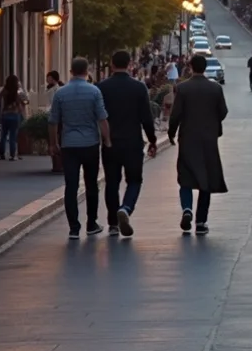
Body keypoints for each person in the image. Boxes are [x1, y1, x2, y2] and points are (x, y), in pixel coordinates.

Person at [49, 56, 111, 240]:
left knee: (71, 186)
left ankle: (74, 228)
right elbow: (102, 118)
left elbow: (53, 121)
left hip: (69, 144)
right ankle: (91, 224)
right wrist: (107, 140)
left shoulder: (60, 93)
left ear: (71, 72)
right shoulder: (94, 92)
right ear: (87, 71)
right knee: (92, 184)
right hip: (90, 144)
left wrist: (53, 143)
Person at [98, 49, 157, 238]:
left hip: (110, 142)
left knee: (112, 182)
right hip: (133, 141)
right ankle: (126, 207)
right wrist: (152, 140)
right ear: (130, 64)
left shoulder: (102, 87)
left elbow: (98, 116)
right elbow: (146, 118)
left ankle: (113, 223)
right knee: (134, 180)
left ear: (112, 64)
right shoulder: (139, 88)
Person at [168, 51, 228, 235]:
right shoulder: (215, 88)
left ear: (191, 67)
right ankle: (201, 221)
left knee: (185, 177)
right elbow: (223, 112)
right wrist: (212, 124)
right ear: (206, 68)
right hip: (208, 140)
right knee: (206, 180)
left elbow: (176, 114)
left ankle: (187, 209)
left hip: (188, 139)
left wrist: (171, 133)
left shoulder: (183, 88)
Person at [0, 74, 28, 161]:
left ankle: (2, 154)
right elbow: (25, 101)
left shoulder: (4, 91)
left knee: (3, 135)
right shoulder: (18, 91)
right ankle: (12, 155)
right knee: (13, 136)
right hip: (15, 115)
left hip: (5, 115)